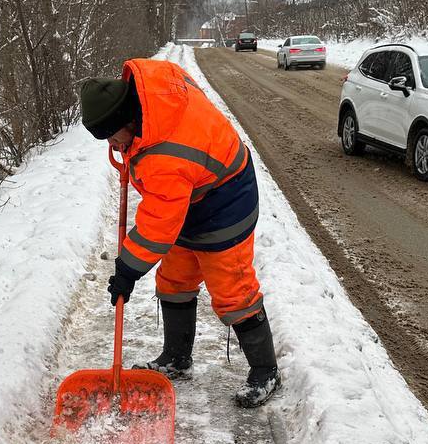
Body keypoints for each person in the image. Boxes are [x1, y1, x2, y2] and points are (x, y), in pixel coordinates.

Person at [79, 58, 280, 408]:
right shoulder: (154, 91)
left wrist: (126, 270)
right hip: (193, 189)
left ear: (127, 119)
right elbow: (165, 208)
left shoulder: (165, 157)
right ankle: (177, 356)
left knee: (232, 289)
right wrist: (131, 148)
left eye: (113, 137)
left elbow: (157, 224)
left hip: (226, 199)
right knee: (174, 279)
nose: (112, 145)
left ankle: (266, 371)